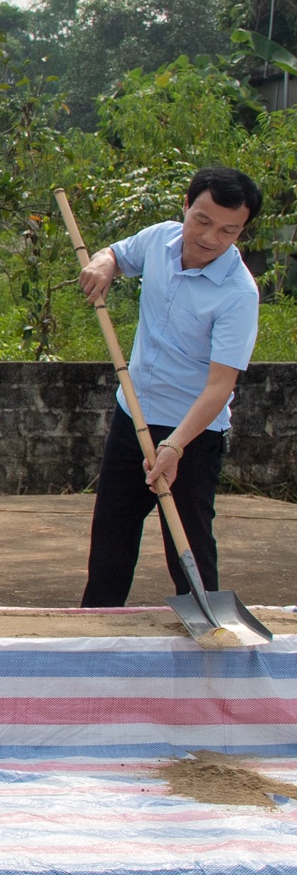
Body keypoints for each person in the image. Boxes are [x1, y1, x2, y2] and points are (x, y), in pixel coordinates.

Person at [76, 167, 262, 607]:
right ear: (186, 206)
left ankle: (207, 636)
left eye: (228, 230)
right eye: (203, 220)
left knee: (189, 546)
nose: (211, 238)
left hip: (193, 435)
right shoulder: (160, 239)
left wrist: (175, 447)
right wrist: (104, 261)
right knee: (110, 542)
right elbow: (119, 254)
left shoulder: (239, 294)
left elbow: (220, 386)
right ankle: (93, 636)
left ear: (242, 230)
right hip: (133, 419)